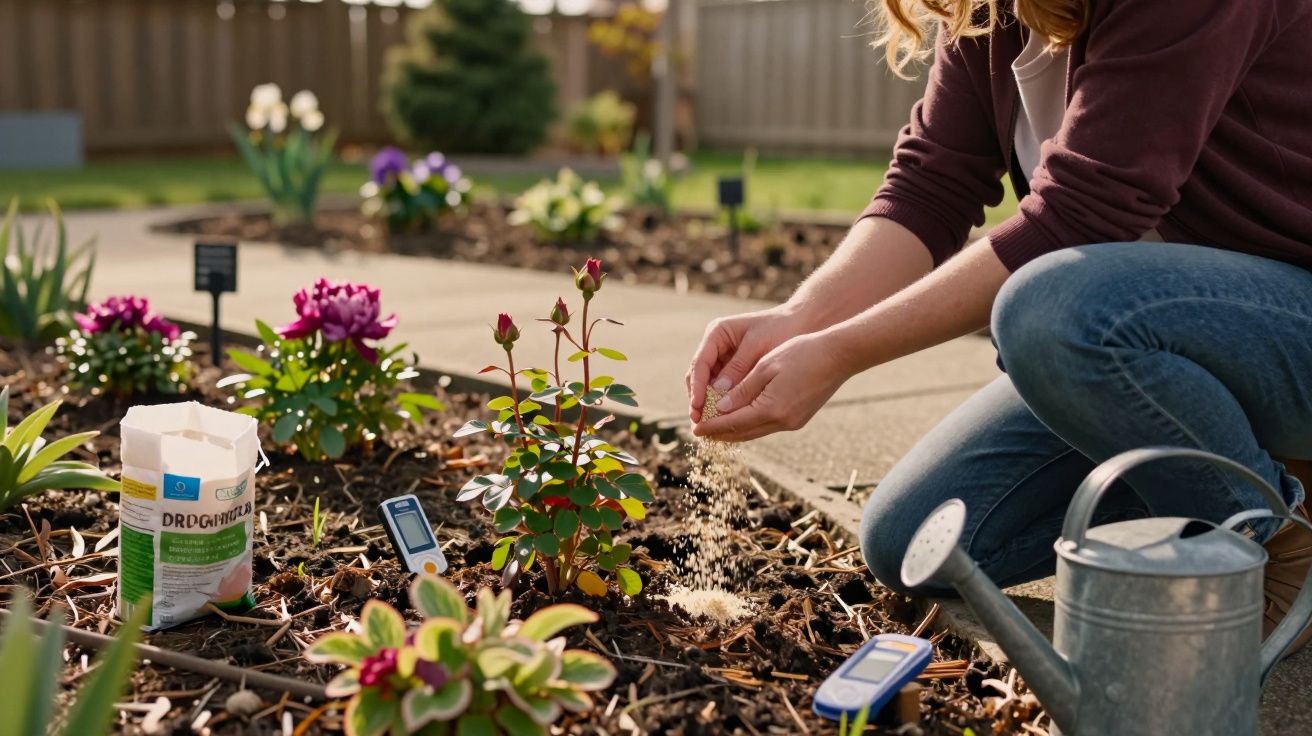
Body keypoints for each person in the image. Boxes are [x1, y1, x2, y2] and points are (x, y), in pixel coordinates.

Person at [686, 0, 1312, 653]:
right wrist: (797, 321)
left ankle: (1270, 543)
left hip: (1288, 323)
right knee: (916, 542)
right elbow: (932, 183)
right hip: (1165, 352)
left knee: (1051, 313)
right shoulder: (993, 10)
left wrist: (840, 353)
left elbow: (1080, 217)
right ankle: (1261, 469)